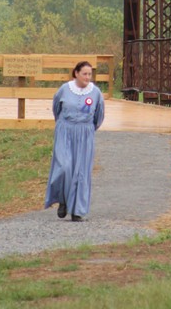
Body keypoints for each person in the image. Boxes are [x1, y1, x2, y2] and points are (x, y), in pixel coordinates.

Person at [44, 60, 105, 221]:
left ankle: (77, 210)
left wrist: (87, 129)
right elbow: (56, 108)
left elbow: (99, 116)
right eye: (84, 74)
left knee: (81, 172)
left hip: (85, 134)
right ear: (76, 73)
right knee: (64, 167)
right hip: (65, 131)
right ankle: (62, 200)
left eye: (90, 74)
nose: (87, 77)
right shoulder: (64, 89)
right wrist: (65, 125)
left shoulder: (96, 93)